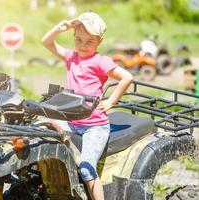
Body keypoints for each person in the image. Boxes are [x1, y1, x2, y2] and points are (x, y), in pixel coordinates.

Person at [41, 12, 134, 200]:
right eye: (78, 40)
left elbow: (127, 77)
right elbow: (47, 43)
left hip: (95, 127)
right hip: (73, 122)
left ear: (99, 41)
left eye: (89, 41)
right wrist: (59, 29)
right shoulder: (71, 57)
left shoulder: (100, 61)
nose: (83, 46)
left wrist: (111, 101)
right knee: (42, 129)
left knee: (86, 169)